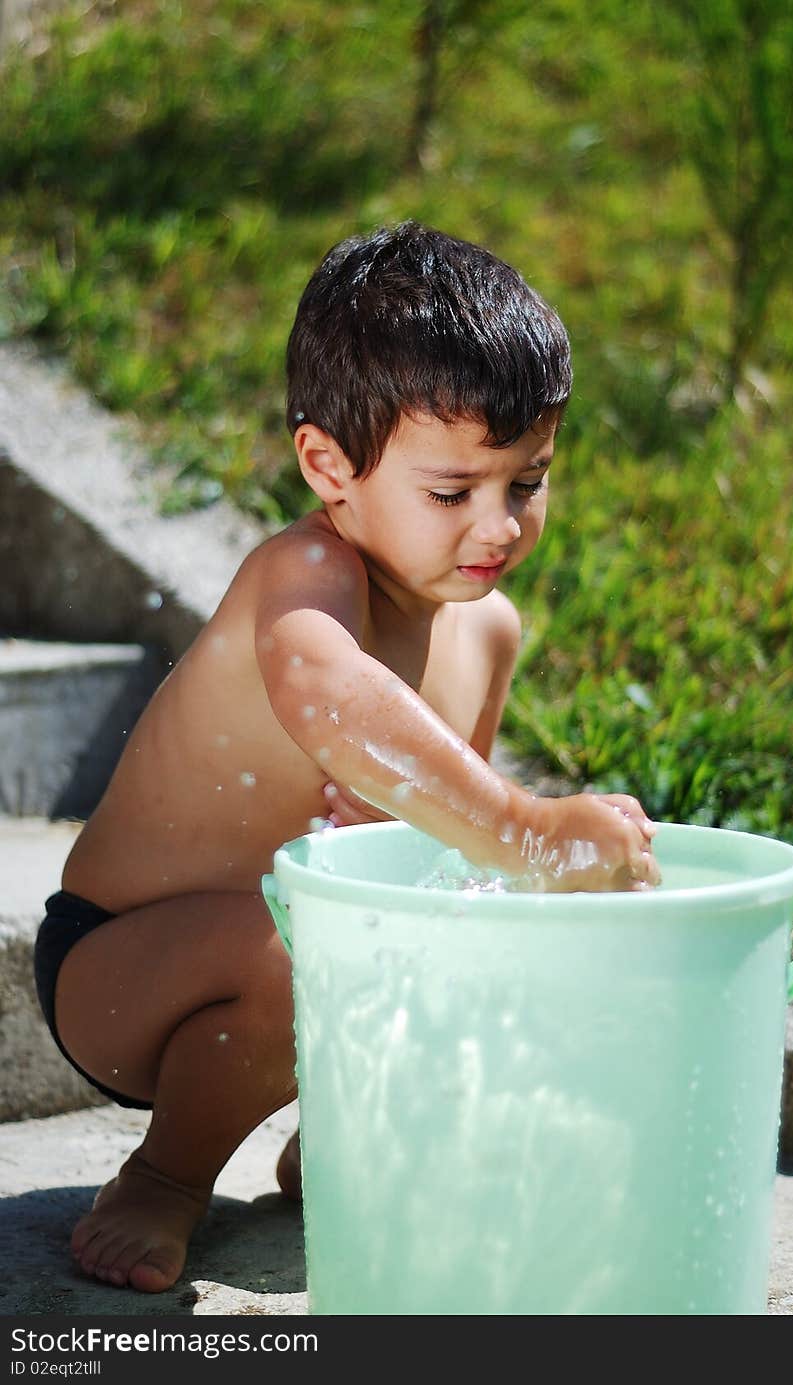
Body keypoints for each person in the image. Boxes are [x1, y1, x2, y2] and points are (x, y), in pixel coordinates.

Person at [33, 221, 661, 1294]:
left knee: (471, 935)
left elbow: (438, 840)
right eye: (453, 492)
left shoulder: (489, 630)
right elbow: (329, 693)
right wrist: (528, 828)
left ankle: (333, 1147)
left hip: (298, 959)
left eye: (529, 480)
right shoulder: (305, 572)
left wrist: (461, 856)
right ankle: (167, 1176)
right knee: (314, 946)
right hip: (122, 969)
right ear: (329, 464)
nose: (499, 524)